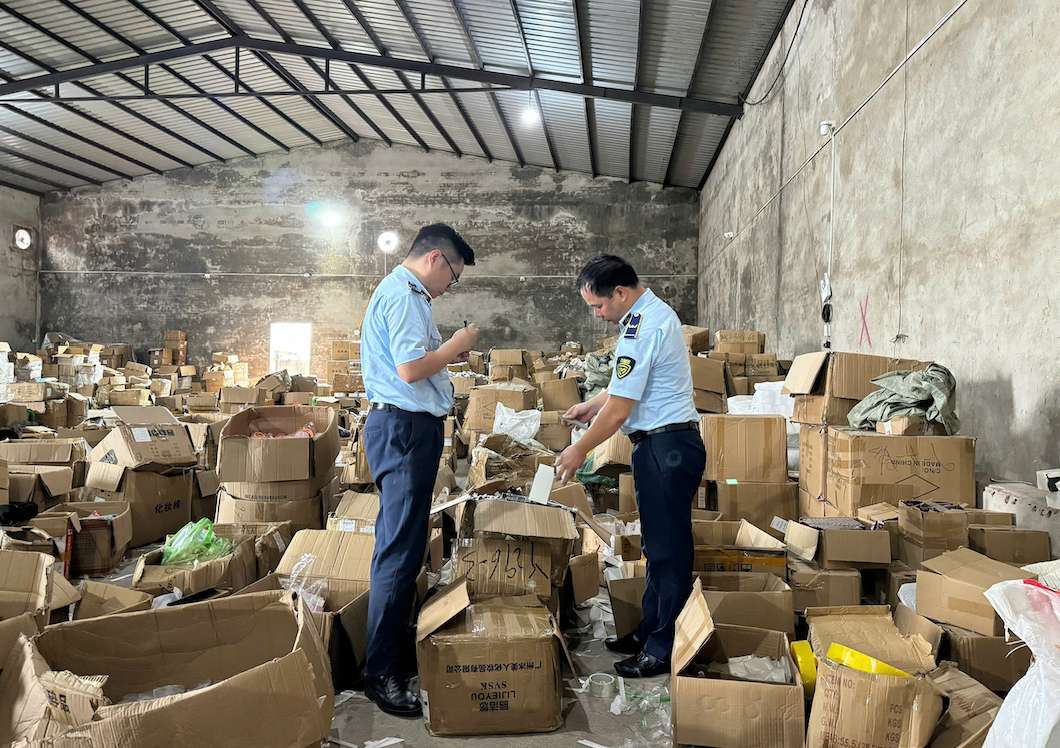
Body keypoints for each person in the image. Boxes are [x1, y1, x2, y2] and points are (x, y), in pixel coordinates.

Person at [554, 255, 705, 678]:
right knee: (658, 550)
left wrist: (579, 449)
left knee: (669, 554)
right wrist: (591, 404)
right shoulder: (643, 318)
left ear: (620, 293)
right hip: (661, 446)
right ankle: (649, 631)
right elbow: (625, 387)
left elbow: (621, 411)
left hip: (667, 447)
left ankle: (662, 647)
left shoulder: (645, 326)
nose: (598, 315)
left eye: (598, 306)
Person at [360, 223, 479, 716]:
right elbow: (410, 369)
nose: (451, 285)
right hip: (405, 429)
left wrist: (447, 353)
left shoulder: (403, 293)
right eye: (453, 274)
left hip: (406, 428)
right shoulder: (407, 295)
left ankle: (386, 652)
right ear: (434, 259)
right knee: (400, 551)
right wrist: (457, 343)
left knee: (403, 546)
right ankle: (381, 671)